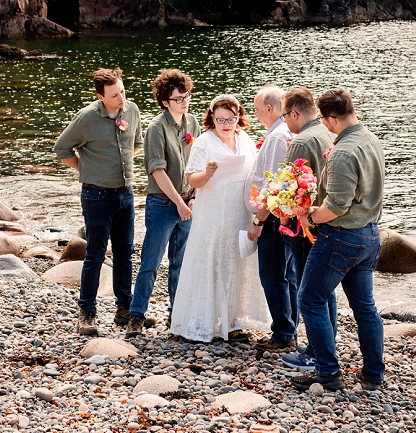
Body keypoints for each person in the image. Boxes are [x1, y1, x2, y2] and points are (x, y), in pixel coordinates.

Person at [291, 89, 385, 392]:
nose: (323, 124)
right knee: (365, 308)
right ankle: (373, 373)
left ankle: (328, 372)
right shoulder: (370, 137)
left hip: (343, 236)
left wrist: (308, 216)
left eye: (324, 119)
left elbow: (336, 206)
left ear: (333, 118)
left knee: (310, 299)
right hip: (370, 234)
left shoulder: (344, 151)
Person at [170, 94, 270, 342]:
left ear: (239, 118)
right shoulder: (204, 142)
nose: (226, 124)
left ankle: (233, 321)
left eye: (231, 119)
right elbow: (192, 180)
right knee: (211, 260)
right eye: (220, 119)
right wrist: (208, 173)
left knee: (237, 261)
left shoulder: (244, 139)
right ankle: (202, 321)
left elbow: (256, 172)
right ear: (212, 119)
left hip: (239, 210)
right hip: (213, 211)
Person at [53, 68, 142, 336]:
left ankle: (124, 309)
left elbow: (136, 144)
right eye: (115, 95)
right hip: (96, 196)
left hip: (126, 194)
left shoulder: (132, 111)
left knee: (125, 253)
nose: (121, 98)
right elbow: (61, 148)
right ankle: (87, 313)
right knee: (95, 254)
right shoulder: (87, 117)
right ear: (100, 96)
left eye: (123, 91)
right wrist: (86, 170)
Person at [126, 69, 202, 337]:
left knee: (180, 262)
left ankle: (176, 315)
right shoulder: (156, 128)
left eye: (186, 96)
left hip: (187, 202)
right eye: (179, 98)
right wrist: (179, 204)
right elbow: (157, 171)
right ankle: (136, 316)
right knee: (151, 261)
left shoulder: (192, 123)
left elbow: (196, 164)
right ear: (164, 102)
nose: (185, 101)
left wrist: (192, 198)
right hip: (162, 204)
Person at [274, 87, 338, 372]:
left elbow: (289, 191)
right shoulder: (329, 134)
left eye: (286, 116)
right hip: (328, 221)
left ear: (295, 113)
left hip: (305, 225)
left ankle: (314, 351)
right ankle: (327, 344)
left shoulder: (300, 141)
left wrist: (284, 223)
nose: (285, 122)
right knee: (324, 289)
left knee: (306, 290)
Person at [244, 85, 297, 352]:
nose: (255, 114)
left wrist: (258, 221)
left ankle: (284, 333)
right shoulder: (283, 132)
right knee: (287, 274)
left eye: (256, 109)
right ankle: (289, 329)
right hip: (283, 215)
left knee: (273, 275)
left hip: (275, 217)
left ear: (269, 108)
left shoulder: (277, 137)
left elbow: (273, 185)